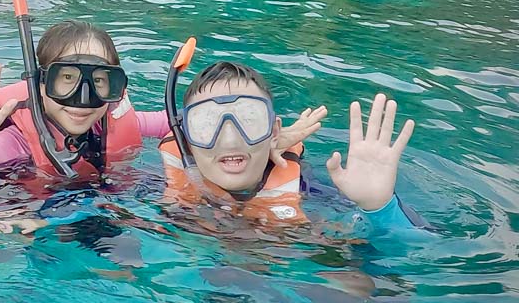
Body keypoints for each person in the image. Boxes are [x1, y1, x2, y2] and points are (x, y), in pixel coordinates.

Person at [159, 52, 422, 230]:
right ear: (187, 139)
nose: (229, 139)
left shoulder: (313, 201)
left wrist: (378, 208)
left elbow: (420, 254)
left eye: (249, 119)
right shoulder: (150, 189)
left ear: (274, 132)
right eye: (206, 123)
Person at [0, 20, 173, 181]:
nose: (81, 100)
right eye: (66, 78)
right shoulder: (15, 144)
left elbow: (178, 120)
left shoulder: (109, 122)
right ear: (40, 84)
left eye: (98, 81)